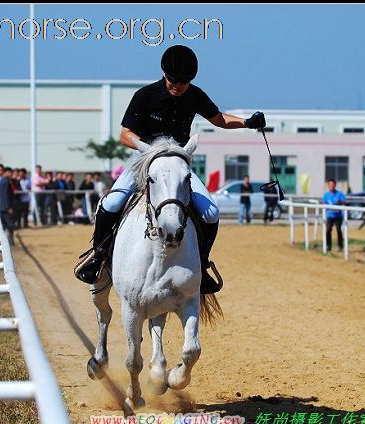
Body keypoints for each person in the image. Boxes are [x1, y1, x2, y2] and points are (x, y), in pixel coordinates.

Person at [75, 44, 267, 294]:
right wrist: (146, 149)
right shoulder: (146, 95)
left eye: (183, 82)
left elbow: (218, 119)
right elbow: (125, 135)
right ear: (165, 74)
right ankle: (98, 255)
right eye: (173, 81)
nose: (177, 86)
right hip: (145, 160)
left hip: (177, 162)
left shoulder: (195, 95)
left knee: (211, 212)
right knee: (112, 203)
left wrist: (247, 122)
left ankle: (202, 263)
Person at [323, 178, 346, 252]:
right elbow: (324, 204)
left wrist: (340, 201)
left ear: (335, 185)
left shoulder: (339, 194)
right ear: (328, 185)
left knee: (339, 230)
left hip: (338, 216)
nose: (331, 186)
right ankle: (328, 246)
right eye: (330, 185)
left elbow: (344, 201)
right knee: (328, 230)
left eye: (333, 185)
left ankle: (340, 246)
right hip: (330, 215)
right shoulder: (326, 195)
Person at [0, 167, 15, 245]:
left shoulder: (2, 180)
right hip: (6, 207)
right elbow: (6, 195)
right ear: (7, 172)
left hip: (2, 207)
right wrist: (9, 207)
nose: (11, 175)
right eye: (10, 173)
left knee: (4, 226)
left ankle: (4, 243)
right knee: (10, 225)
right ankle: (10, 242)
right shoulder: (5, 181)